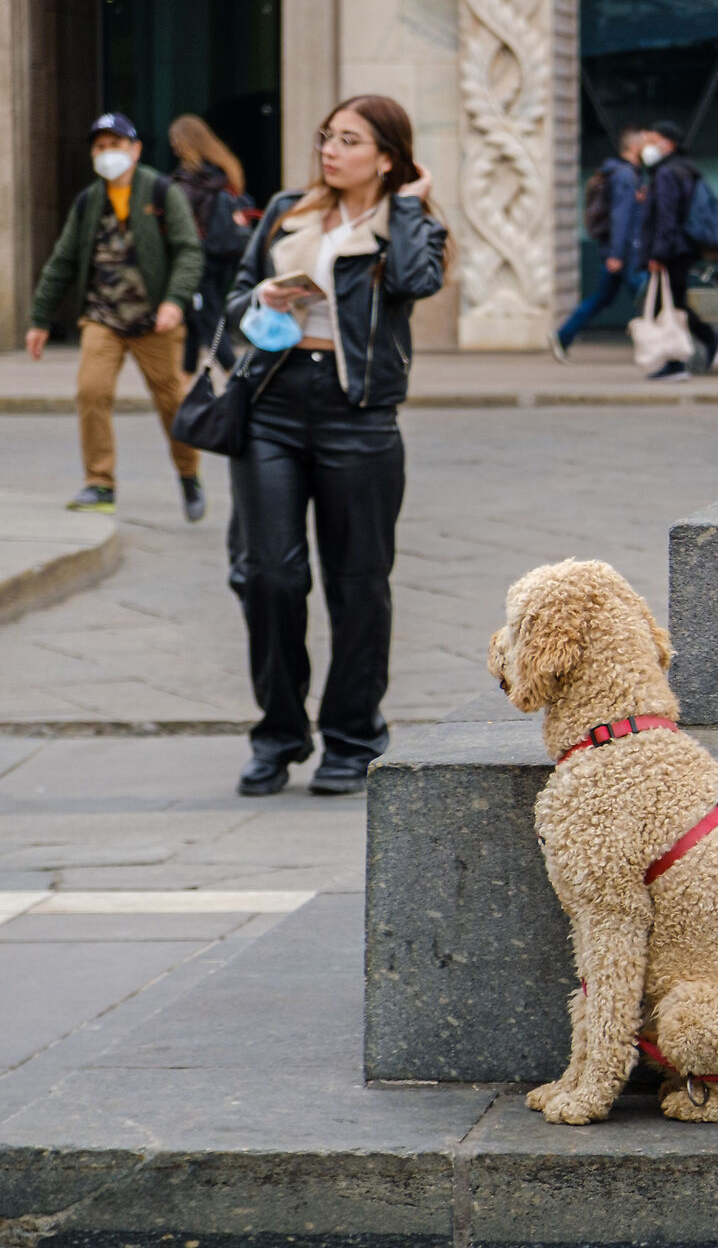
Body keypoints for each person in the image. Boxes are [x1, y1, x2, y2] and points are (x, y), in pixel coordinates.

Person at [224, 94, 449, 798]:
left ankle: (352, 737)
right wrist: (263, 300)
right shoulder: (288, 210)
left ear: (385, 157)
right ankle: (279, 734)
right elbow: (232, 299)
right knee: (270, 577)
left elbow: (418, 283)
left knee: (359, 586)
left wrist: (410, 205)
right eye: (327, 136)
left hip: (359, 418)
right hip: (273, 408)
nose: (329, 148)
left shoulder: (408, 227)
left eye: (349, 140)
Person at [25, 112, 207, 521]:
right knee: (91, 391)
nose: (108, 154)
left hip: (155, 321)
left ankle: (189, 474)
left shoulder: (161, 191)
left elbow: (189, 251)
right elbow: (63, 261)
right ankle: (99, 483)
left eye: (116, 145)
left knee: (172, 403)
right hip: (102, 317)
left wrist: (174, 300)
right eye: (100, 147)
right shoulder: (89, 201)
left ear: (135, 149)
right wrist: (40, 318)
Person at [167, 114, 259, 377]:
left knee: (208, 322)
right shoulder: (226, 170)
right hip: (227, 256)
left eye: (175, 141)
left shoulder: (188, 180)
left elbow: (180, 222)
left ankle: (236, 376)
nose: (173, 146)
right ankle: (184, 385)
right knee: (196, 320)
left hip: (199, 259)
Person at [550, 124, 652, 360]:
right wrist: (616, 254)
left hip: (620, 251)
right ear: (635, 147)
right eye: (646, 145)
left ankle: (563, 336)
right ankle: (661, 348)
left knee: (603, 298)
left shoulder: (623, 173)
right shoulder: (626, 176)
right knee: (647, 298)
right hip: (626, 252)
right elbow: (620, 216)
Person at [634, 121, 718, 381]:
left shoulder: (666, 173)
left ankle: (679, 360)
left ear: (667, 142)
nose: (646, 146)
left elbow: (667, 216)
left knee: (669, 306)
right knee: (674, 303)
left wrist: (659, 254)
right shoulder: (684, 169)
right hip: (683, 247)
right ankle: (701, 346)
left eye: (651, 139)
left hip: (673, 249)